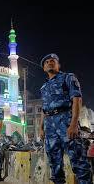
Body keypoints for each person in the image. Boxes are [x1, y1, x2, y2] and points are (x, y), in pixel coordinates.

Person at [39, 53, 93, 184]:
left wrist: (74, 124)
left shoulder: (68, 77)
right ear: (44, 68)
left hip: (66, 121)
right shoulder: (43, 87)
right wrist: (41, 128)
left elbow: (77, 99)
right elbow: (44, 108)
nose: (50, 63)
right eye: (47, 62)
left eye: (53, 61)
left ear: (58, 65)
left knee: (78, 160)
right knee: (54, 163)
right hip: (50, 125)